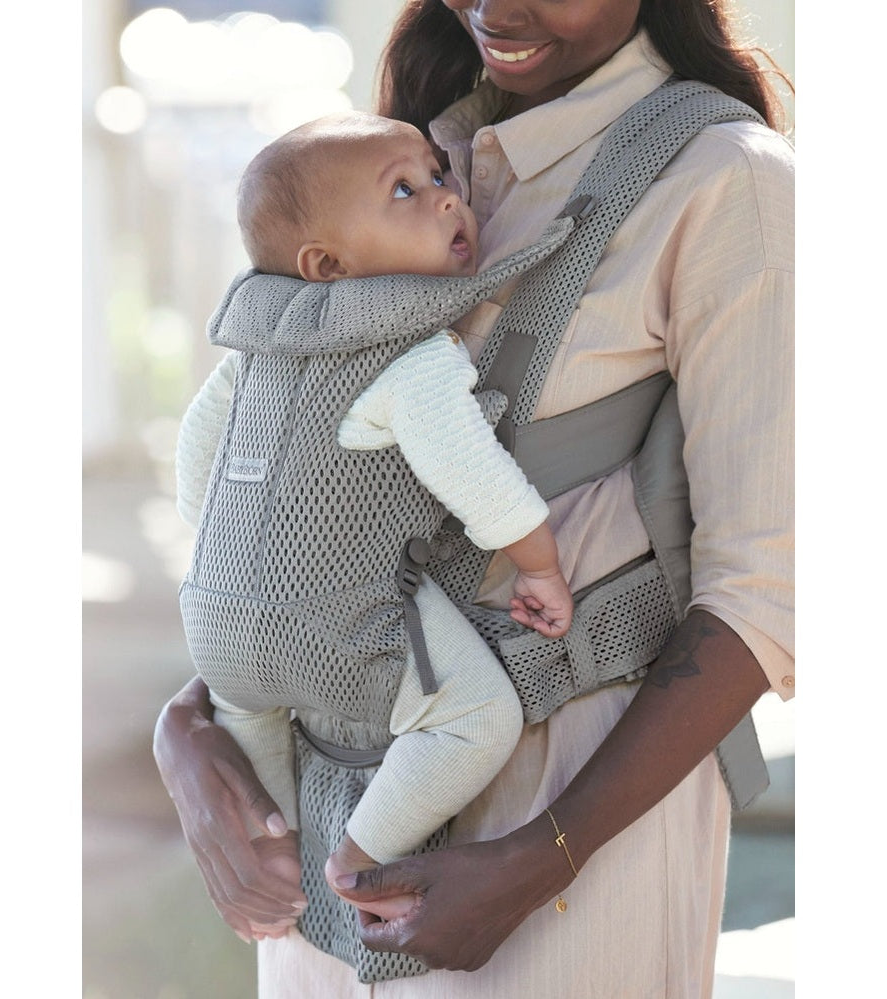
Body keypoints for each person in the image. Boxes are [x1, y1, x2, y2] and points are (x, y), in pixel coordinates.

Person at [154, 1, 795, 995]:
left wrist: (541, 857)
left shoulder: (726, 184)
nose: (496, 6)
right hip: (328, 836)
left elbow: (765, 597)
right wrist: (190, 739)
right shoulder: (407, 155)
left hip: (564, 848)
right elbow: (285, 506)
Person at [177, 110, 574, 922]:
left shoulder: (258, 347)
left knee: (262, 784)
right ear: (326, 264)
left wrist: (225, 553)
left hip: (218, 627)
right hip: (331, 623)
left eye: (437, 175)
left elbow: (199, 455)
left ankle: (274, 867)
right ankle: (355, 856)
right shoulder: (410, 353)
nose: (445, 199)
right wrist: (537, 565)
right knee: (476, 719)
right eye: (405, 189)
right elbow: (477, 479)